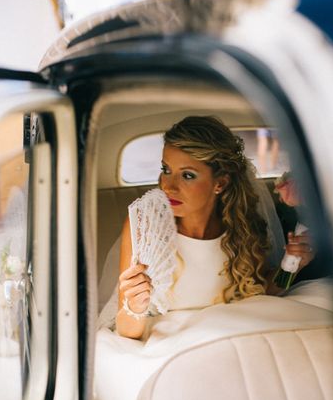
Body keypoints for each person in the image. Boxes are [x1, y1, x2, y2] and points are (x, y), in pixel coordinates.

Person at [115, 116, 309, 339]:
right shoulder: (143, 227)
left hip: (234, 336)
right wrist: (135, 307)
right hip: (168, 344)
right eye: (166, 169)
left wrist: (291, 266)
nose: (168, 186)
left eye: (187, 175)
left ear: (221, 183)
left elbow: (263, 293)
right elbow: (126, 332)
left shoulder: (242, 226)